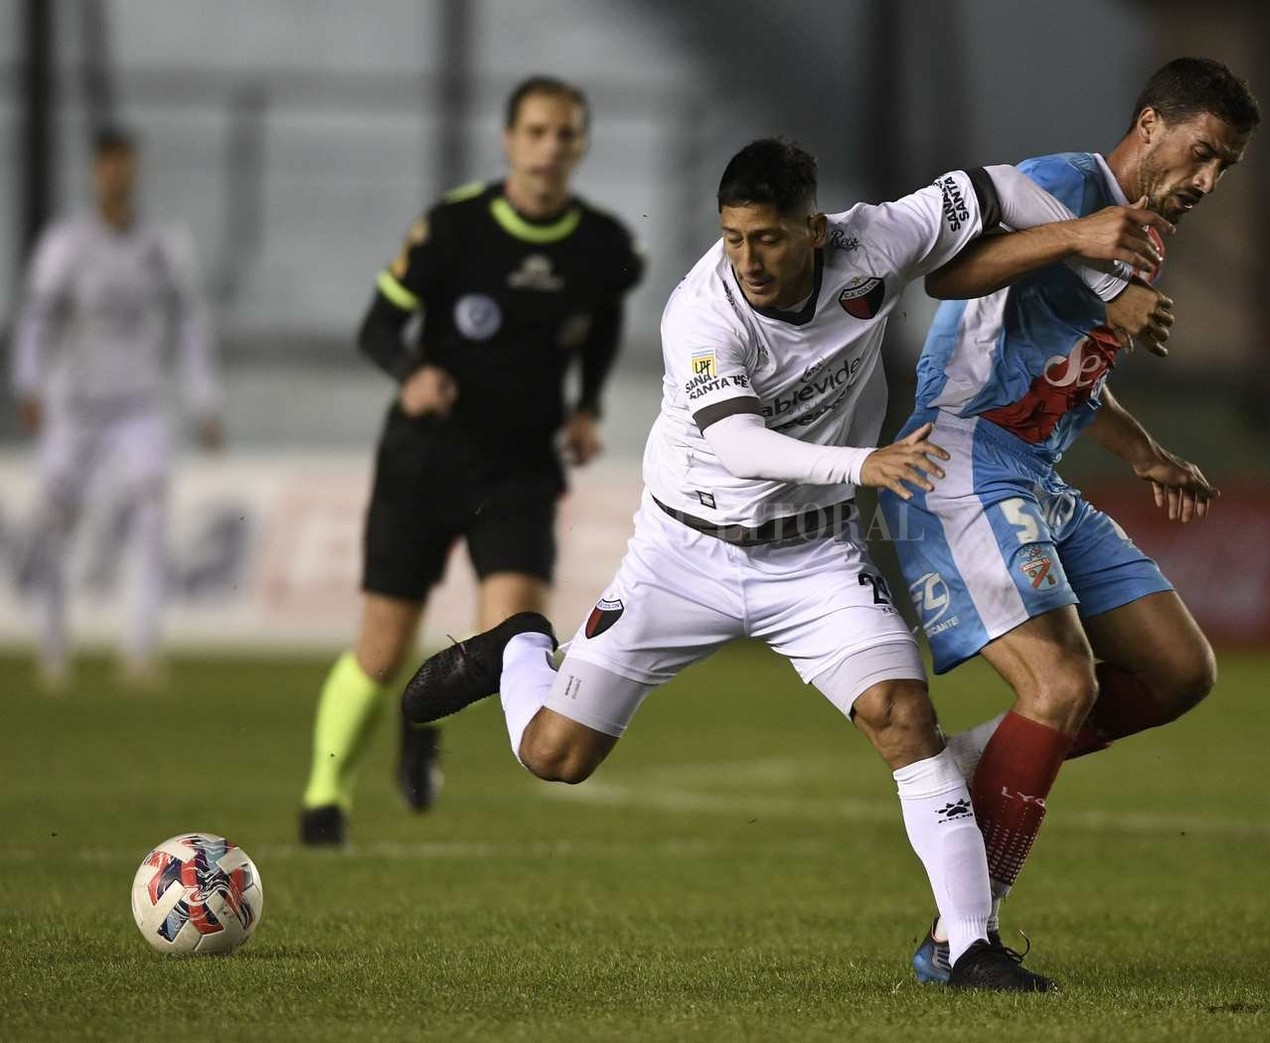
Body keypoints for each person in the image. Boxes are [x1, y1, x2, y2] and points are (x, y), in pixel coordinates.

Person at [401, 137, 1172, 989]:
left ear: (814, 228)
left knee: (903, 719)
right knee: (555, 757)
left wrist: (1103, 272)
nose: (747, 259)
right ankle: (517, 647)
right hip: (681, 556)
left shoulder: (874, 240)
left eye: (765, 238)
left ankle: (968, 943)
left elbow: (996, 191)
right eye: (732, 237)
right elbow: (735, 442)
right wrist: (864, 464)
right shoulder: (700, 312)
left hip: (812, 557)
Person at [877, 57, 1262, 984]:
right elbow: (951, 273)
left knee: (1177, 671)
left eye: (1224, 169)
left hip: (1035, 473)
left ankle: (984, 762)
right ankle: (961, 934)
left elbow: (1071, 366)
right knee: (1058, 682)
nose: (1206, 181)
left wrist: (1142, 452)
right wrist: (1081, 248)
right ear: (1149, 125)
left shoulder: (1145, 237)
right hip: (959, 458)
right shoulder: (1059, 186)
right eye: (1201, 154)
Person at [298, 76, 644, 846]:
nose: (550, 147)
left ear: (580, 145)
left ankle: (427, 715)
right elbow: (378, 327)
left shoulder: (603, 246)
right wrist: (411, 371)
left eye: (566, 134)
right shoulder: (454, 227)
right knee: (382, 647)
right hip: (423, 458)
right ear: (508, 140)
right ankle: (326, 799)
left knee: (510, 641)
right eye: (536, 131)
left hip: (519, 470)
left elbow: (600, 331)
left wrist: (587, 406)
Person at [10, 126, 222, 689]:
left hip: (139, 404)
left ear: (135, 170)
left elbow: (189, 324)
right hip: (75, 405)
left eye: (125, 164)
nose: (117, 175)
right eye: (108, 165)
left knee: (152, 513)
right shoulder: (66, 243)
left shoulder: (162, 244)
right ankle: (53, 649)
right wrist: (28, 383)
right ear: (94, 172)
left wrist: (204, 398)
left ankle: (139, 651)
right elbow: (38, 318)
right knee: (55, 520)